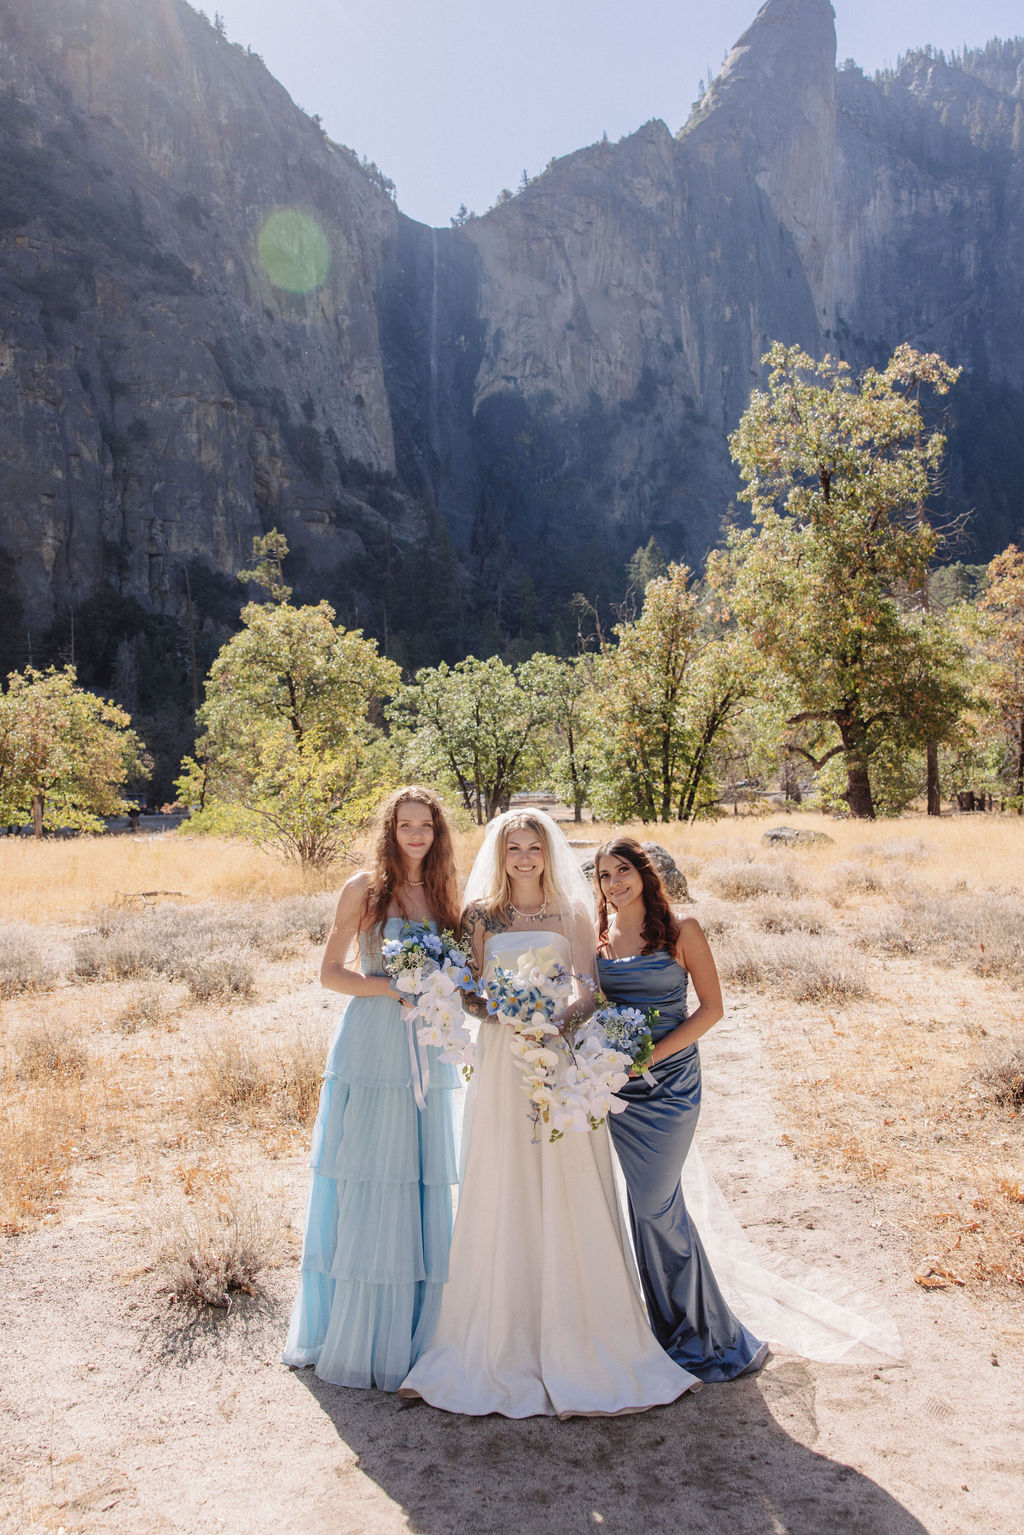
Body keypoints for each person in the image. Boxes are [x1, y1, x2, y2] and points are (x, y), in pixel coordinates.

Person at [399, 810, 700, 1417]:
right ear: (500, 853)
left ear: (548, 852)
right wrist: (504, 1013)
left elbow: (589, 990)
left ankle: (587, 1336)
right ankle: (496, 1337)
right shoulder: (479, 915)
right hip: (500, 1059)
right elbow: (466, 990)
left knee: (567, 1182)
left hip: (558, 1057)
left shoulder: (574, 912)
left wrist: (555, 1021)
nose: (526, 857)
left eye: (535, 847)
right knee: (502, 1177)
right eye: (515, 848)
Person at [282, 786, 462, 1391]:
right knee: (372, 1172)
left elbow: (463, 968)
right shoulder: (364, 888)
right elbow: (331, 973)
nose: (416, 835)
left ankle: (421, 1332)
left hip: (428, 1044)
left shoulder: (444, 891)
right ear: (390, 830)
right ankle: (364, 1333)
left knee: (420, 1172)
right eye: (406, 825)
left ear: (437, 833)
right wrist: (392, 987)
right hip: (374, 1040)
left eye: (426, 826)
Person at [594, 837, 768, 1381]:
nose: (614, 883)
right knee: (644, 1206)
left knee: (653, 1203)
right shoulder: (597, 939)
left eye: (623, 870)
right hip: (618, 1090)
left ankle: (708, 1334)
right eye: (603, 876)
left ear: (644, 874)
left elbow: (711, 1009)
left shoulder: (682, 930)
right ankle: (670, 1326)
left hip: (669, 1086)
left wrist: (646, 1056)